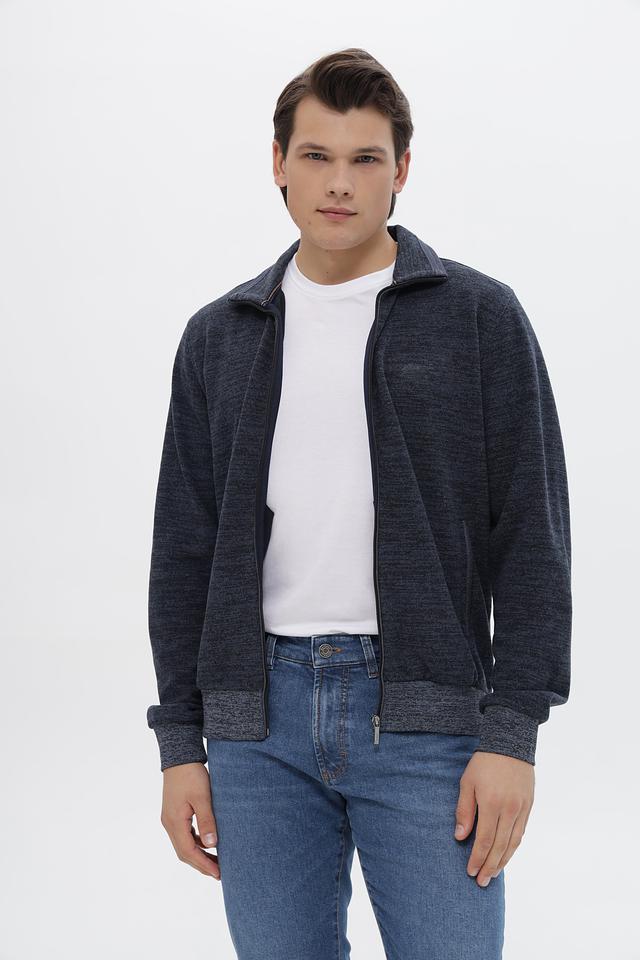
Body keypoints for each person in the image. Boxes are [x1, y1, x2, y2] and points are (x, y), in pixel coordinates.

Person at [146, 47, 572, 960]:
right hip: (256, 728)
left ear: (401, 169)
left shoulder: (478, 319)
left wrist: (512, 734)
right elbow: (183, 551)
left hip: (427, 722)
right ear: (278, 163)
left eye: (365, 159)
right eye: (316, 156)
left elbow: (533, 539)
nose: (339, 183)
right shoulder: (220, 337)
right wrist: (182, 743)